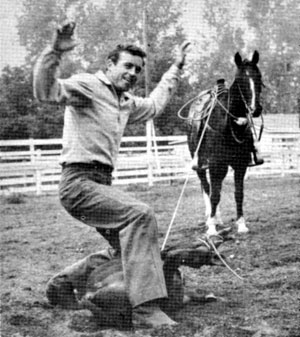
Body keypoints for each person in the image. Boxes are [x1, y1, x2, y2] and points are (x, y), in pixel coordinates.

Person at [33, 22, 190, 328]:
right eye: (127, 66)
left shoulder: (126, 102)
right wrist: (54, 51)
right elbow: (45, 91)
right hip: (78, 183)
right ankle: (145, 310)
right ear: (109, 65)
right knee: (141, 216)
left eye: (137, 70)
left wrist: (176, 67)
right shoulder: (88, 86)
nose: (132, 74)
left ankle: (64, 283)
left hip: (101, 183)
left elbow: (156, 105)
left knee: (130, 247)